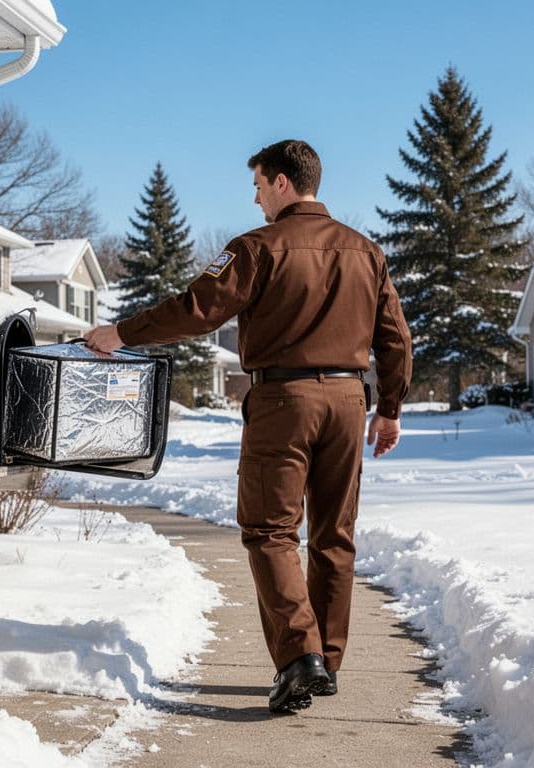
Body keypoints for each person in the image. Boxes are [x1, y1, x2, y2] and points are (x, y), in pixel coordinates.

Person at [84, 140, 412, 713]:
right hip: (347, 402)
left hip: (283, 401)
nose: (255, 197)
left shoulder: (257, 248)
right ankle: (323, 663)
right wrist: (390, 408)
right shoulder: (366, 252)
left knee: (270, 531)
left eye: (259, 185)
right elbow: (396, 339)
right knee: (335, 535)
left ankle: (300, 658)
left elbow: (197, 308)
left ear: (283, 183)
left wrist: (123, 333)